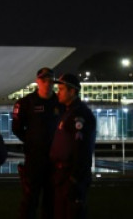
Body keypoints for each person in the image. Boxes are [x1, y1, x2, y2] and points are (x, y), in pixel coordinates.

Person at [12, 67, 61, 219]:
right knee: (30, 198)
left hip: (55, 159)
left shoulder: (60, 102)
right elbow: (17, 128)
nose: (47, 83)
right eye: (43, 80)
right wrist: (32, 141)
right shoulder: (26, 103)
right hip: (35, 158)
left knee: (52, 199)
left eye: (50, 80)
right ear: (37, 81)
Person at [50, 73, 96, 219]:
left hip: (71, 175)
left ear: (72, 91)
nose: (58, 93)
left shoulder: (79, 115)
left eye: (61, 89)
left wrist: (75, 177)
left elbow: (81, 148)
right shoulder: (68, 112)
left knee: (72, 213)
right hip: (62, 174)